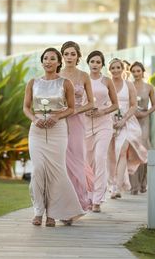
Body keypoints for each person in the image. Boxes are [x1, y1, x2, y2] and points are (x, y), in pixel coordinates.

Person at [23, 47, 85, 227]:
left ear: (59, 62)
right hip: (36, 131)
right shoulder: (32, 82)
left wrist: (57, 117)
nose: (48, 61)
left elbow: (72, 108)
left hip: (57, 130)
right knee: (38, 170)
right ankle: (38, 211)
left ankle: (53, 214)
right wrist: (34, 119)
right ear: (42, 62)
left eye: (52, 59)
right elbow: (26, 107)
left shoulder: (66, 83)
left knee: (56, 172)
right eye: (45, 58)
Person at [60, 41, 94, 210]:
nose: (69, 57)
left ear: (78, 56)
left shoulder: (83, 76)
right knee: (62, 162)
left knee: (77, 159)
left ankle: (80, 201)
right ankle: (65, 203)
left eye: (73, 54)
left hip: (77, 122)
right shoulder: (57, 75)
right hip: (59, 122)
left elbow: (91, 103)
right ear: (62, 56)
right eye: (66, 54)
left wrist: (75, 110)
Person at [108, 58, 147, 198]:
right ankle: (113, 182)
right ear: (109, 69)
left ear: (122, 69)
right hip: (109, 122)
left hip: (127, 123)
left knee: (122, 151)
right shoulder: (107, 83)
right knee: (112, 154)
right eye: (113, 68)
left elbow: (133, 105)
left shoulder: (128, 84)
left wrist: (124, 119)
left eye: (118, 67)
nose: (116, 70)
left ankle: (116, 187)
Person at [85, 50, 118, 212]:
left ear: (102, 65)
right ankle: (88, 197)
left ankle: (97, 200)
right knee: (88, 161)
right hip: (85, 125)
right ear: (88, 63)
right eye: (92, 61)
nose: (95, 65)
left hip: (104, 124)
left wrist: (102, 111)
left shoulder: (107, 81)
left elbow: (115, 105)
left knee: (100, 158)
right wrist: (84, 110)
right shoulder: (83, 79)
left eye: (98, 62)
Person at [129, 61, 155, 194]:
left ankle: (143, 183)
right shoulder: (129, 86)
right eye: (133, 71)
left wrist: (146, 113)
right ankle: (134, 185)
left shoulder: (149, 87)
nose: (136, 74)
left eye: (138, 71)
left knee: (144, 150)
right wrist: (132, 112)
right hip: (132, 120)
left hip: (144, 121)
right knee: (133, 150)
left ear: (143, 72)